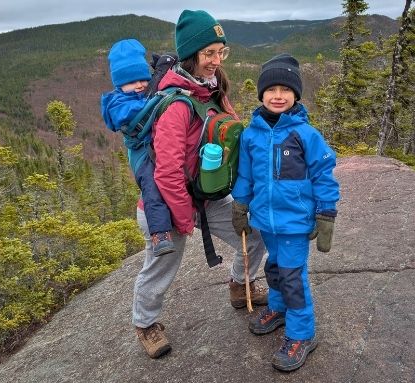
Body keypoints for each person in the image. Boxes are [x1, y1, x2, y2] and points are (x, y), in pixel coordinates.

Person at [131, 9, 268, 359]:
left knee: (254, 234)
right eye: (209, 53)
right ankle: (146, 324)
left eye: (221, 52)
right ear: (191, 54)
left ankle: (240, 285)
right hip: (167, 202)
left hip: (207, 196)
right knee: (161, 265)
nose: (216, 60)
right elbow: (167, 171)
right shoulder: (176, 105)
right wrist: (182, 217)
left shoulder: (213, 89)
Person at [231, 53, 340, 372]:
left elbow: (323, 174)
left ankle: (302, 334)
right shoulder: (251, 135)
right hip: (266, 221)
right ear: (261, 94)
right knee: (275, 268)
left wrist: (326, 213)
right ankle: (279, 310)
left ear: (295, 95)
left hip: (294, 223)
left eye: (285, 90)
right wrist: (240, 204)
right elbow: (246, 176)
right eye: (271, 89)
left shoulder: (306, 135)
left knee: (292, 278)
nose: (278, 95)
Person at [100, 38, 175, 258]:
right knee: (151, 185)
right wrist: (157, 90)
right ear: (120, 84)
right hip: (141, 155)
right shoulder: (117, 103)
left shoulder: (144, 93)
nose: (140, 85)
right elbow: (134, 113)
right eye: (133, 81)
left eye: (144, 78)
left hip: (156, 147)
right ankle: (160, 234)